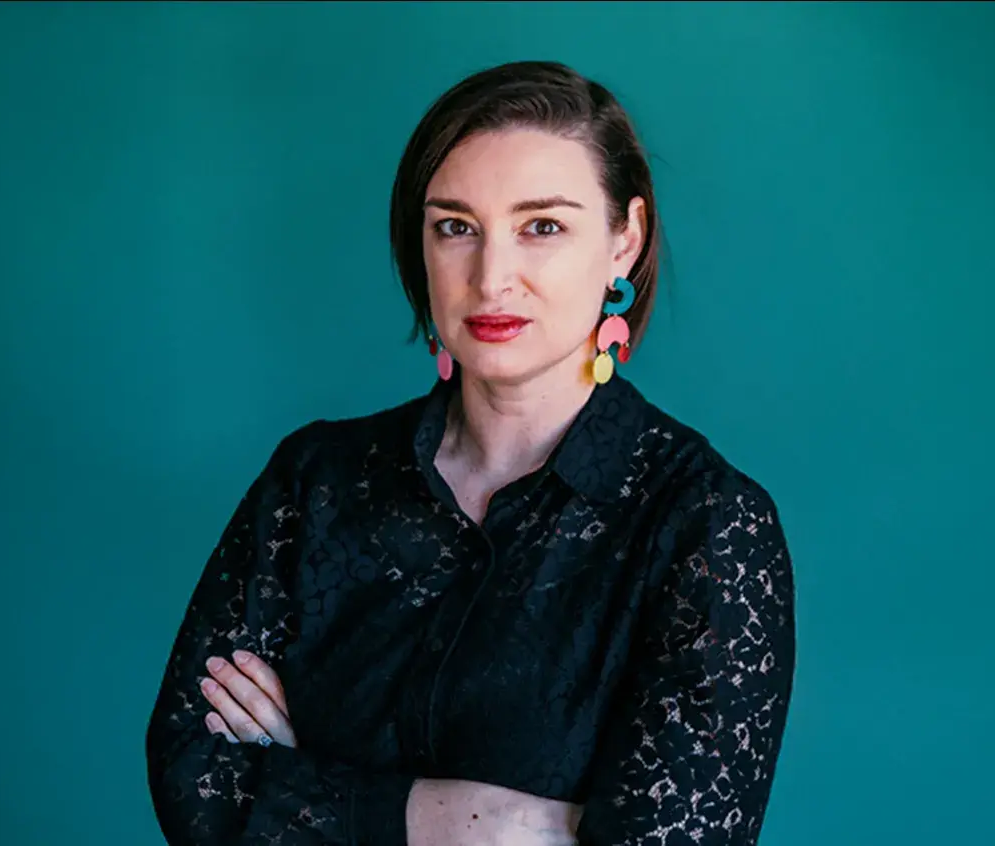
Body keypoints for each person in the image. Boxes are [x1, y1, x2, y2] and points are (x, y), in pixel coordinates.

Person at [144, 60, 797, 846]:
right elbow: (192, 783)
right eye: (455, 227)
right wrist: (475, 822)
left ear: (624, 240)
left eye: (541, 227)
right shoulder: (314, 480)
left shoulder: (707, 524)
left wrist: (303, 789)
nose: (491, 279)